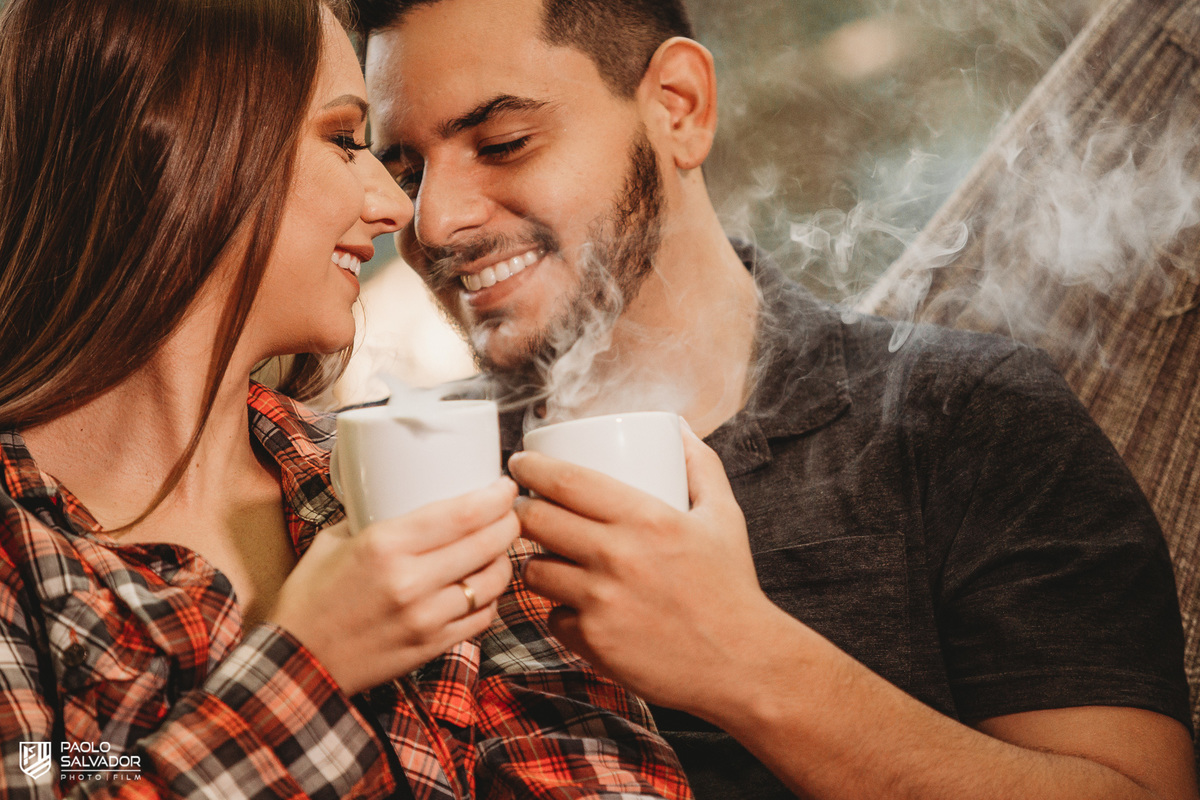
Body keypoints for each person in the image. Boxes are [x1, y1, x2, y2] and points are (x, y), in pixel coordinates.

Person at [352, 0, 1199, 797]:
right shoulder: (386, 468)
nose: (434, 223)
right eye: (407, 170)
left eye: (502, 142)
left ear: (678, 108)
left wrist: (745, 661)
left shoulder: (967, 418)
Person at [0, 1, 693, 798]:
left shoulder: (400, 478)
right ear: (182, 141)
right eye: (343, 140)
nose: (403, 212)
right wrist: (309, 665)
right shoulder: (20, 539)